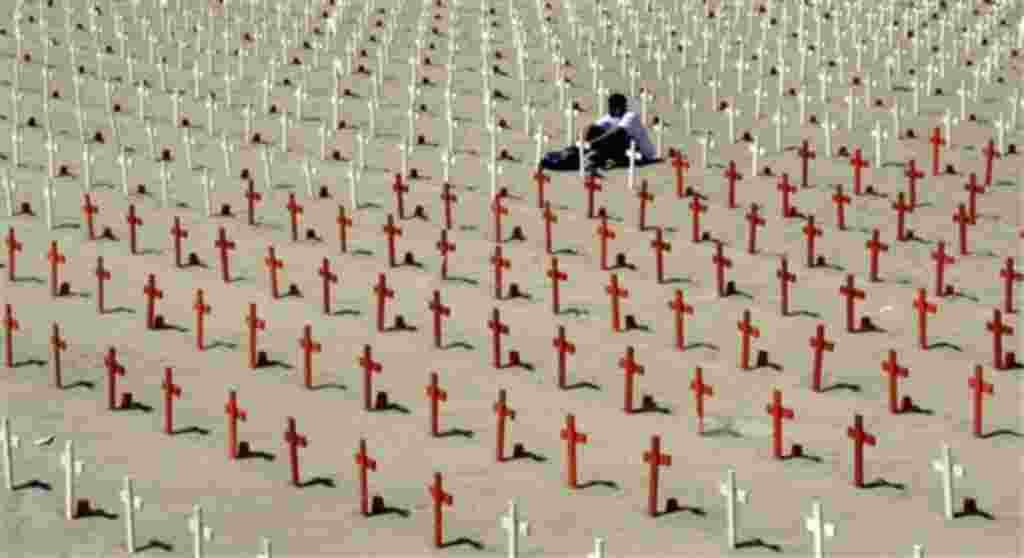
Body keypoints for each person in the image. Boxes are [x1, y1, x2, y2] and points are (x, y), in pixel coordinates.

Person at [583, 93, 657, 176]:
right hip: (625, 148)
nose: (609, 110)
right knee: (596, 131)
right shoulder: (610, 116)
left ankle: (602, 158)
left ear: (618, 108)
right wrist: (582, 142)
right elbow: (591, 128)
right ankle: (598, 157)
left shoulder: (631, 116)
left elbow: (617, 132)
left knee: (616, 136)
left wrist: (593, 142)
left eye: (611, 107)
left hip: (642, 154)